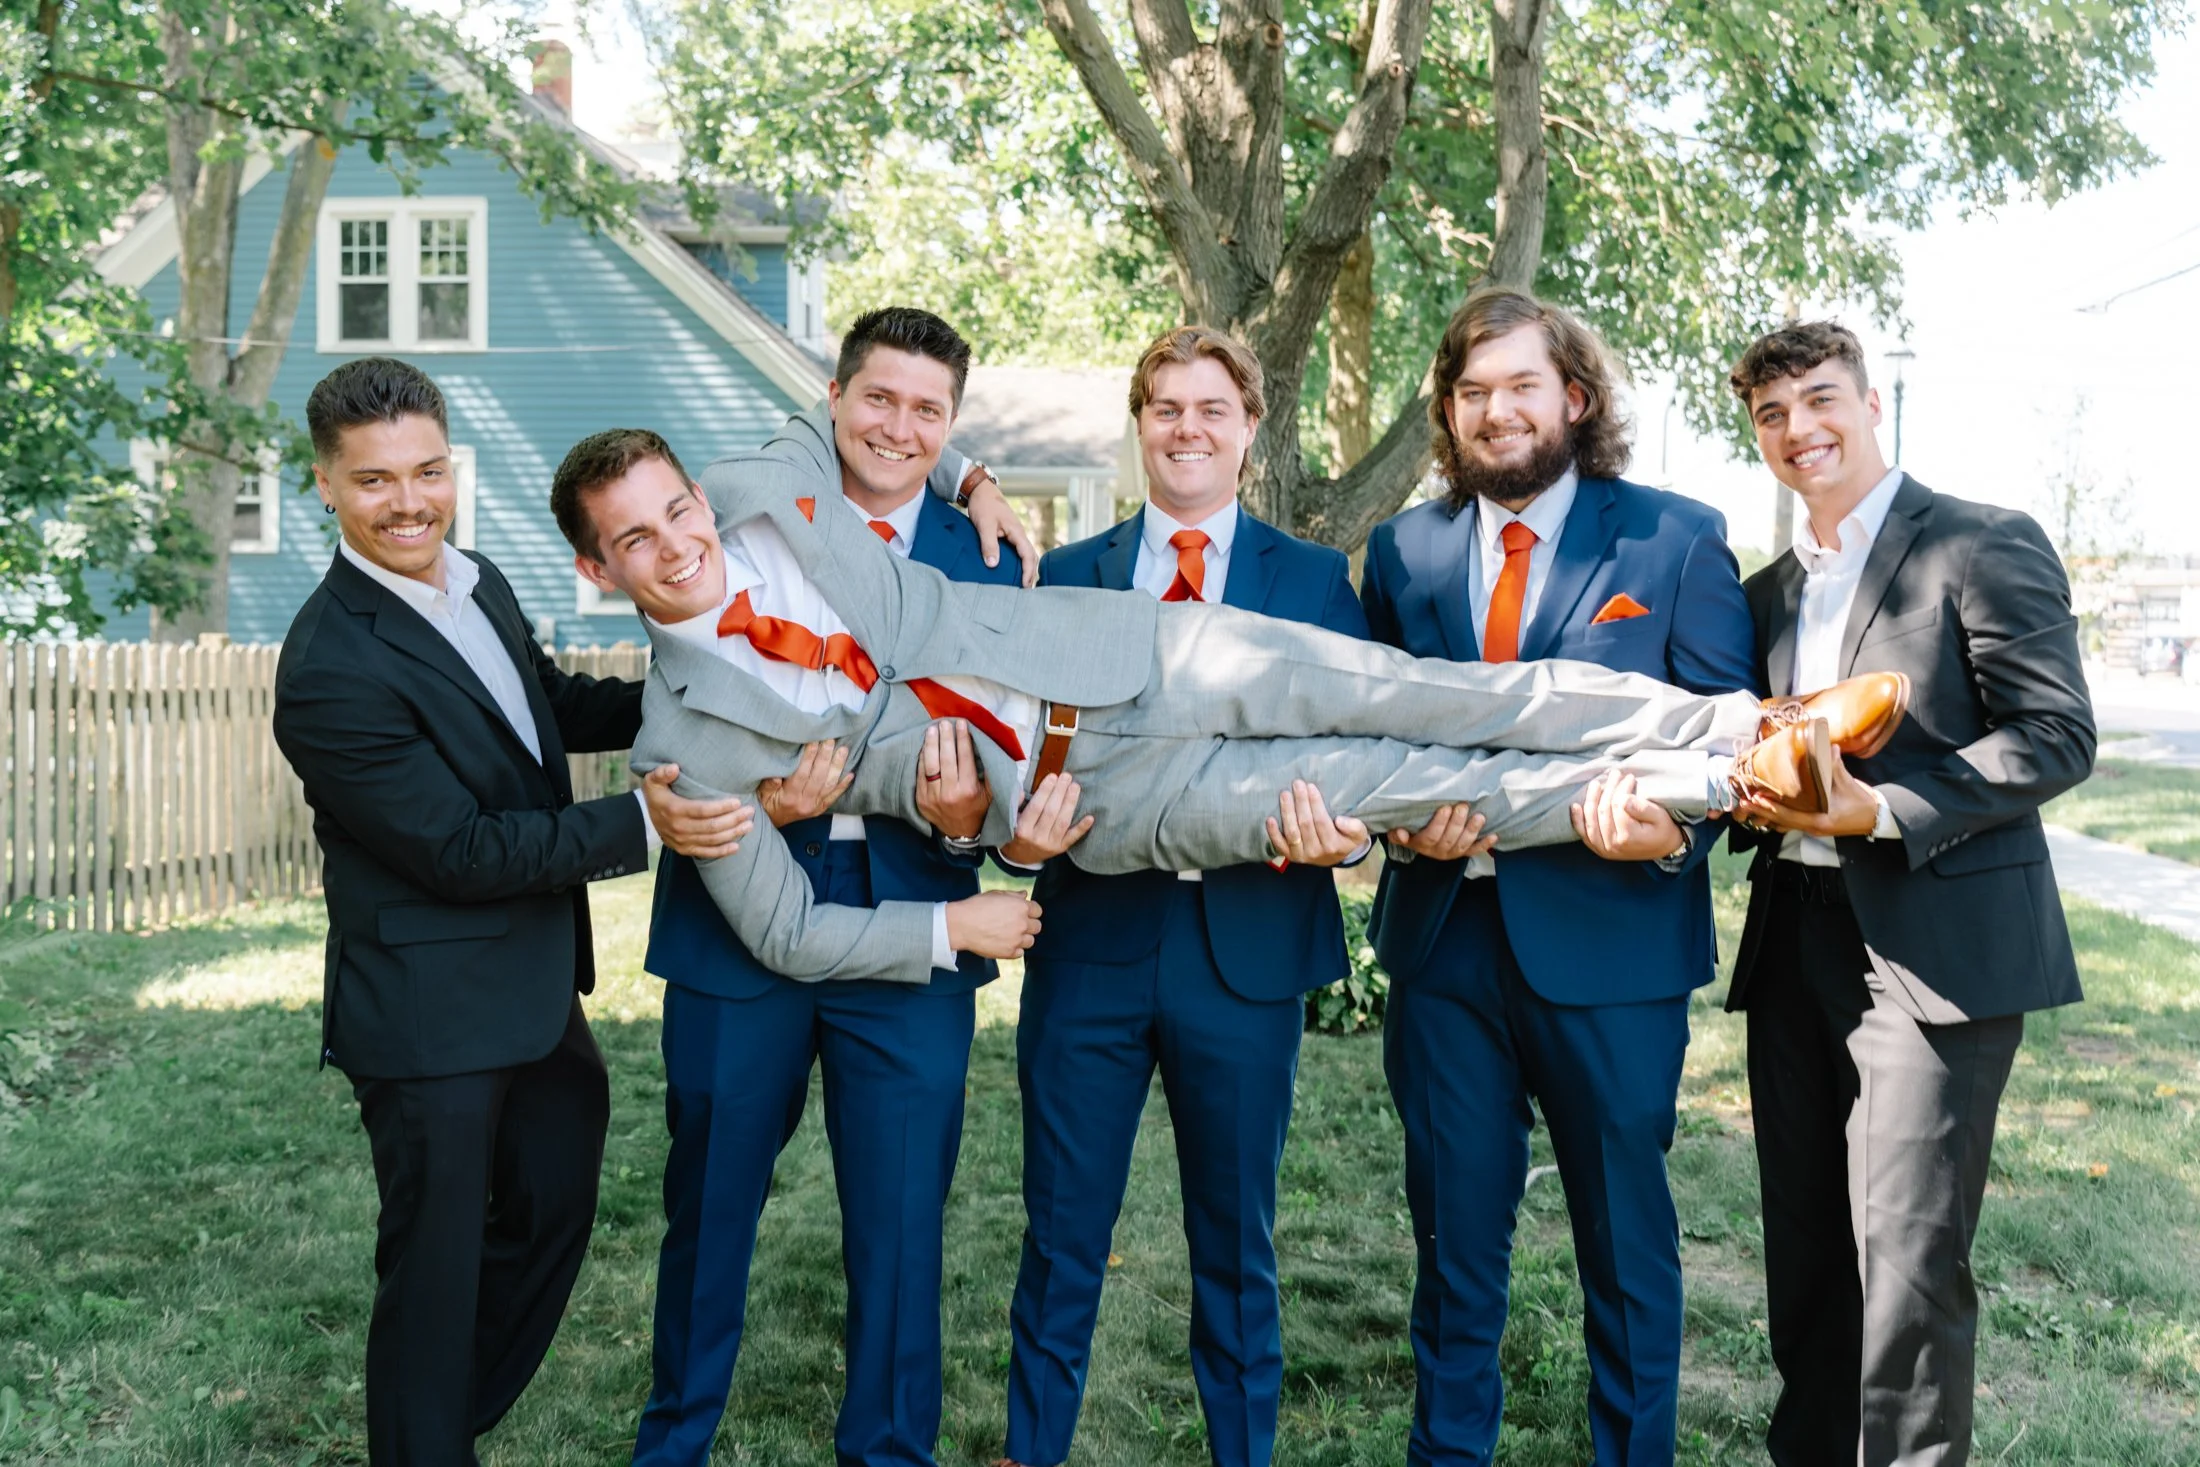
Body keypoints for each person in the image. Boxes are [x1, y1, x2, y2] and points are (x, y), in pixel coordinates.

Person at [551, 410, 1893, 992]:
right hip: (1101, 803)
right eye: (640, 542)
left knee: (1434, 695)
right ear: (596, 568)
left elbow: (876, 414)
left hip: (1141, 650)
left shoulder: (760, 477)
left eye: (676, 510)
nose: (679, 546)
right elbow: (786, 931)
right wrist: (947, 918)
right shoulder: (681, 748)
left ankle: (1746, 723)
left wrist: (966, 477)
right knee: (1409, 781)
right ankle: (1737, 783)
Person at [270, 357, 753, 1467]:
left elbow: (547, 709)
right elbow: (458, 849)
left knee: (547, 1214)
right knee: (434, 1276)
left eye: (429, 471)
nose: (410, 502)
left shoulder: (473, 575)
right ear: (326, 485)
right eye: (376, 480)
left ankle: (432, 1428)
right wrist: (644, 825)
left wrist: (700, 696)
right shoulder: (330, 664)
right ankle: (424, 1440)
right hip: (427, 1012)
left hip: (531, 995)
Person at [620, 308, 1026, 1467]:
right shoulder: (748, 511)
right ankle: (672, 1445)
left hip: (910, 909)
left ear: (951, 423)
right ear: (833, 398)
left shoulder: (985, 555)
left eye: (929, 412)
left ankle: (888, 1451)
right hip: (731, 910)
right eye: (877, 399)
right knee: (709, 1210)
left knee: (900, 1225)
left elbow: (1011, 751)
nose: (898, 428)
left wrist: (967, 824)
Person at [1356, 287, 1754, 1466]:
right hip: (1441, 950)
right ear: (1448, 413)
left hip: (1612, 944)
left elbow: (1732, 752)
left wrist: (1670, 836)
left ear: (1573, 398)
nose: (1496, 411)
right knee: (1453, 1245)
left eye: (1521, 385)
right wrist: (1390, 827)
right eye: (1471, 393)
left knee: (1625, 1250)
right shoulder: (1405, 551)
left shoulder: (1671, 539)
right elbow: (1369, 739)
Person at [995, 327, 1397, 1467]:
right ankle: (1033, 1449)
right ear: (1140, 425)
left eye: (1210, 408)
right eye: (1164, 407)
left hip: (1247, 947)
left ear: (1249, 427)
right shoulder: (1066, 579)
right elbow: (1017, 765)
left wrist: (1343, 839)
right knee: (1062, 1236)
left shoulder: (1313, 581)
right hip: (1091, 949)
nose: (1186, 428)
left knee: (1236, 1243)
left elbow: (1358, 753)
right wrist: (1018, 850)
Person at [1724, 321, 2094, 1467]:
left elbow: (2055, 734)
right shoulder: (1765, 590)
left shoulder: (1980, 542)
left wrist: (1881, 809)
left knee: (1907, 1264)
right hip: (1794, 942)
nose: (1801, 430)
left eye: (1821, 399)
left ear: (1871, 403)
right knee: (1805, 1250)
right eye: (1773, 414)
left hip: (1935, 951)